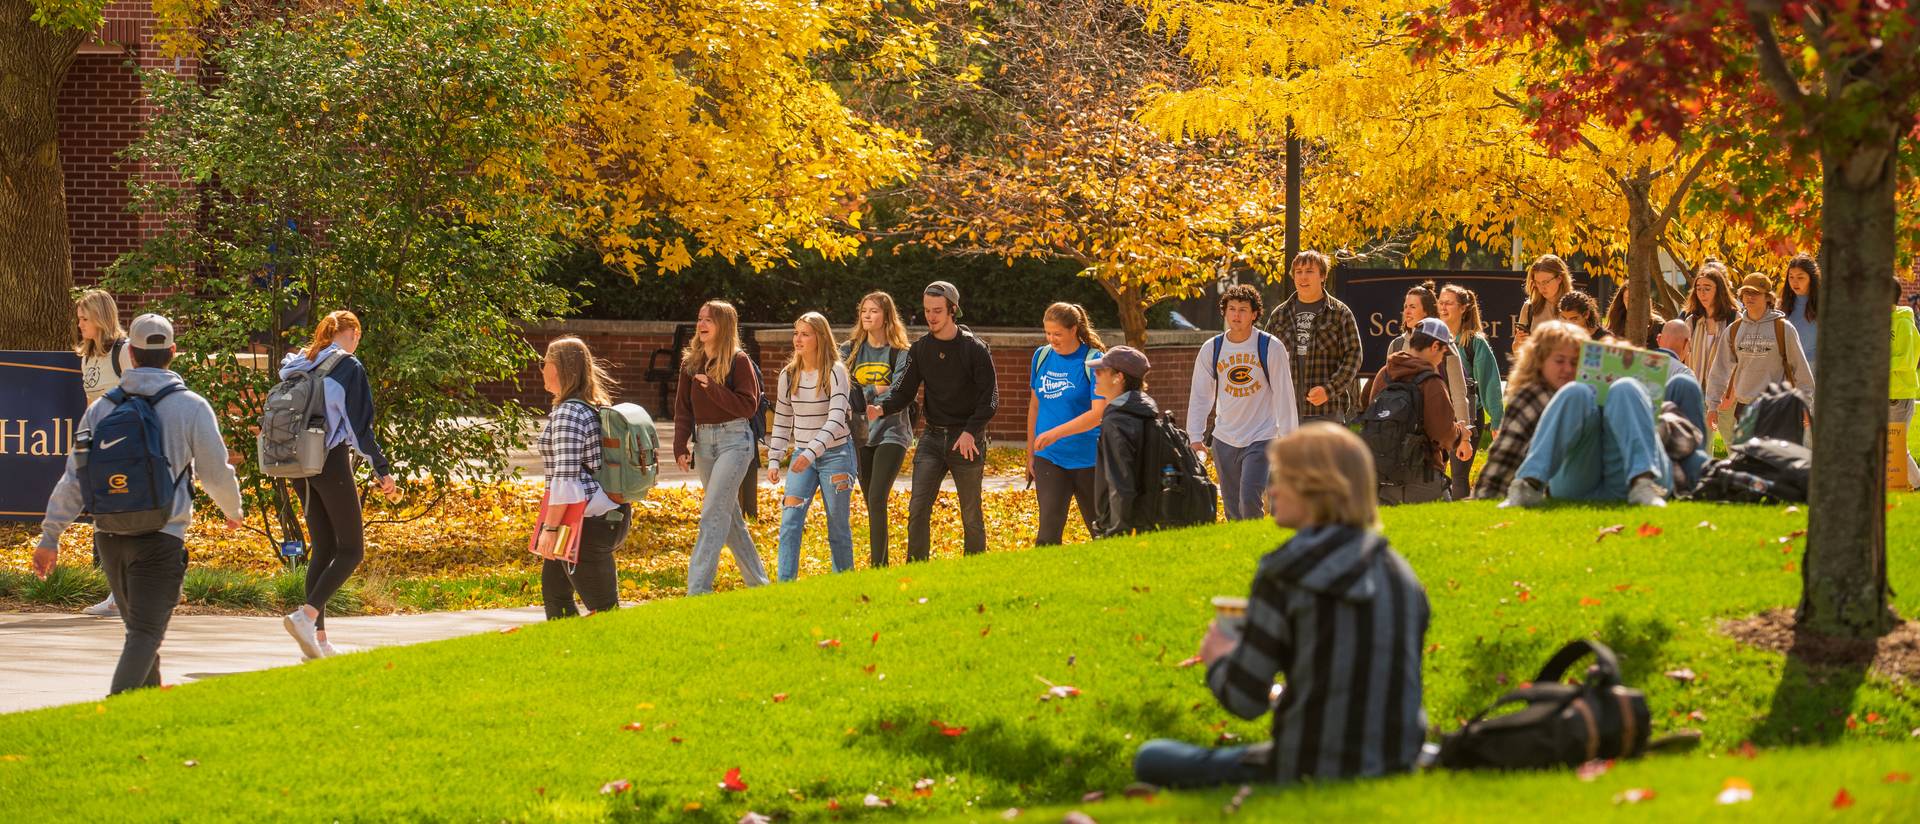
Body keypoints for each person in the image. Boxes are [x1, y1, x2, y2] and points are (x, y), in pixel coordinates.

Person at [1132, 423, 1429, 789]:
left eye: (1281, 479)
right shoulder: (1401, 573)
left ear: (1315, 487)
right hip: (1397, 758)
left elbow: (1245, 700)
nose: (1270, 490)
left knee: (1151, 756)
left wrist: (1220, 656)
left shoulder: (1287, 569)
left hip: (1309, 763)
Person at [33, 314, 246, 694]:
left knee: (140, 632)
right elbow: (216, 471)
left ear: (130, 352)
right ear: (173, 353)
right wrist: (233, 511)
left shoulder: (101, 409)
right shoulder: (192, 407)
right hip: (161, 536)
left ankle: (146, 710)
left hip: (110, 537)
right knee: (145, 633)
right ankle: (113, 715)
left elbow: (74, 477)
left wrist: (51, 536)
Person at [276, 311, 396, 659]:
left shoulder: (301, 361)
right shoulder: (348, 367)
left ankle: (318, 640)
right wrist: (382, 469)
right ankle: (306, 616)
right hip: (329, 460)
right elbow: (360, 429)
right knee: (351, 549)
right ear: (354, 334)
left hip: (297, 464)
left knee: (325, 546)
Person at [1477, 321, 1695, 508]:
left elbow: (1681, 434)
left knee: (1626, 386)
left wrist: (1647, 410)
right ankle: (1528, 485)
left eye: (1575, 362)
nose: (1568, 369)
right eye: (1560, 361)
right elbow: (1504, 455)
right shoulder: (1535, 396)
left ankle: (1644, 482)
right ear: (1540, 361)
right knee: (1576, 391)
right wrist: (1483, 497)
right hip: (1577, 480)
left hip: (1627, 476)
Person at [874, 281, 998, 560]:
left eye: (938, 310)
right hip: (931, 438)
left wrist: (970, 432)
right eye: (927, 310)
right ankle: (917, 568)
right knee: (918, 508)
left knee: (971, 513)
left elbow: (990, 399)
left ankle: (975, 567)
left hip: (966, 439)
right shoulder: (920, 349)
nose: (931, 316)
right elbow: (905, 390)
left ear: (953, 310)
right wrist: (881, 408)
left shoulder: (974, 349)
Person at [675, 300, 772, 595]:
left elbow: (747, 406)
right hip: (704, 443)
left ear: (725, 325)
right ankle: (759, 585)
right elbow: (682, 409)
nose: (702, 325)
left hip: (735, 441)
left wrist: (712, 388)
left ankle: (697, 590)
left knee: (712, 512)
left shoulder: (738, 361)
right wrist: (681, 444)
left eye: (710, 320)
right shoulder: (691, 363)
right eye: (700, 318)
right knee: (729, 519)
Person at [535, 337, 632, 619]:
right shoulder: (588, 406)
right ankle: (567, 657)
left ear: (560, 368)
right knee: (557, 599)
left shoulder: (569, 412)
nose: (542, 369)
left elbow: (566, 480)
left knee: (604, 613)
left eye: (545, 362)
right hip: (594, 518)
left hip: (585, 523)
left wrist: (550, 530)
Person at [1191, 284, 1298, 520]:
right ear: (1225, 312)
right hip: (1225, 438)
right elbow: (1200, 395)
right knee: (1231, 507)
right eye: (1231, 309)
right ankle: (1241, 551)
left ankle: (1257, 549)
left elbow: (1284, 395)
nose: (1236, 315)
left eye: (1242, 310)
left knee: (1249, 499)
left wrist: (1290, 439)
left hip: (1262, 436)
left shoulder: (1270, 347)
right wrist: (1195, 438)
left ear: (1254, 314)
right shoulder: (1213, 348)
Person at [767, 312, 856, 581]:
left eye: (805, 334)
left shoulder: (835, 372)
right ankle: (785, 585)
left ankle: (843, 582)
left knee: (837, 524)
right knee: (790, 522)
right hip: (802, 457)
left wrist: (810, 451)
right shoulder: (788, 374)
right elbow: (782, 419)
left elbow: (836, 418)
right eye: (796, 333)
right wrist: (774, 459)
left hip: (836, 455)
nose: (798, 339)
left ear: (820, 337)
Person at [1364, 319, 1475, 504]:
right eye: (1444, 351)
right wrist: (1460, 433)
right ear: (1434, 346)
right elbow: (1442, 432)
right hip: (1421, 474)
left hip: (1381, 475)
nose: (1443, 356)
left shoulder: (1385, 374)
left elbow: (1370, 409)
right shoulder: (1431, 382)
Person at [841, 291, 914, 566]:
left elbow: (898, 389)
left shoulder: (900, 353)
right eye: (864, 311)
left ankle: (878, 564)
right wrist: (874, 389)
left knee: (877, 496)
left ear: (886, 316)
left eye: (874, 311)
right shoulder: (849, 350)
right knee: (872, 501)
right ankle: (881, 563)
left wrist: (865, 394)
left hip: (892, 432)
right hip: (859, 434)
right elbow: (843, 386)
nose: (867, 316)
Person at [1026, 302, 1108, 545]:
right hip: (1049, 457)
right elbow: (1034, 406)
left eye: (1058, 334)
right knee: (1048, 534)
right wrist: (1031, 451)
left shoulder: (1095, 361)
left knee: (1101, 530)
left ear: (1074, 329)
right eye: (1048, 333)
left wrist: (1055, 433)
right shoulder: (1041, 357)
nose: (1052, 339)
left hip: (1089, 458)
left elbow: (1098, 414)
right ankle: (1048, 581)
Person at [72, 289, 131, 618]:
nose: (80, 324)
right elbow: (90, 405)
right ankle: (117, 593)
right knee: (106, 518)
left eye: (84, 318)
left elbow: (140, 395)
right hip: (98, 450)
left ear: (100, 319)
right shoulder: (87, 356)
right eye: (79, 319)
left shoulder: (121, 352)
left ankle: (122, 594)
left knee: (121, 518)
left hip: (123, 448)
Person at [1705, 273, 1815, 440]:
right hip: (1744, 410)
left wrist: (1806, 406)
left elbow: (1801, 371)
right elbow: (1719, 370)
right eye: (1746, 292)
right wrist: (1712, 406)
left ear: (1768, 298)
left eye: (1755, 293)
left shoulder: (1784, 328)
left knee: (1773, 463)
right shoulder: (1734, 330)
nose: (1749, 297)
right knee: (1748, 463)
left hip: (1776, 409)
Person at [1266, 252, 1359, 427]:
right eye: (1298, 271)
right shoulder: (1279, 315)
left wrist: (1329, 390)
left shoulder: (1340, 313)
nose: (1303, 277)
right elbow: (1264, 359)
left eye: (1309, 271)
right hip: (1284, 412)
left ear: (1322, 275)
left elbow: (1353, 357)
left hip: (1326, 412)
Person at [1437, 283, 1504, 499]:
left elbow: (1490, 384)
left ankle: (1459, 517)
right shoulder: (1433, 340)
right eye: (1440, 302)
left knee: (1458, 476)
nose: (1443, 307)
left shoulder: (1474, 343)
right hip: (1436, 415)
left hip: (1467, 417)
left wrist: (1497, 421)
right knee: (1433, 472)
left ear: (1463, 308)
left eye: (1449, 303)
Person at [1088, 347, 1158, 538]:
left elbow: (1121, 483)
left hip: (1120, 526)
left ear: (1118, 377)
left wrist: (1116, 534)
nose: (1096, 374)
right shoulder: (1145, 412)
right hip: (1145, 522)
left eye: (1101, 370)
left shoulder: (1116, 422)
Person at [1684, 261, 1740, 448]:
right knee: (1699, 444)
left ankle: (1722, 476)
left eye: (1707, 288)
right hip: (1697, 393)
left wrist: (1731, 394)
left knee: (1721, 446)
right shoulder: (1692, 320)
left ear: (1719, 290)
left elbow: (1741, 361)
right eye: (1698, 288)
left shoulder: (1735, 319)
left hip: (1724, 394)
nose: (1702, 293)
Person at [1513, 254, 1573, 349]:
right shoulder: (1529, 307)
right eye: (1537, 282)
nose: (1541, 287)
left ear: (1559, 279)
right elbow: (1518, 353)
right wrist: (1517, 344)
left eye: (1545, 282)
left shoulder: (1575, 306)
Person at [1890, 288, 1918, 490]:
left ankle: (1916, 484)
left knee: (1897, 447)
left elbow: (1908, 361)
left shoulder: (1903, 321)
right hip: (1879, 393)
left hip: (1898, 395)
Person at [1780, 255, 1819, 373]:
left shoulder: (1824, 304)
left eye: (1800, 278)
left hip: (1814, 367)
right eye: (1791, 277)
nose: (1794, 282)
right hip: (1787, 367)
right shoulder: (1781, 305)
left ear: (1812, 279)